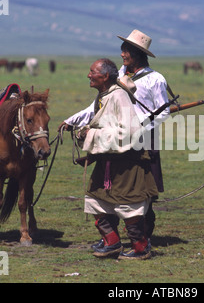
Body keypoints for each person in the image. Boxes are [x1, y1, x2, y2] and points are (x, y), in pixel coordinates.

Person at [61, 59, 158, 260]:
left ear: (105, 76)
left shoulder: (119, 96)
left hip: (127, 162)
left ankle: (141, 248)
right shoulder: (104, 95)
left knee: (129, 205)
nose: (88, 75)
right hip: (108, 160)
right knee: (96, 199)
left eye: (92, 72)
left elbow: (130, 132)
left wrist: (91, 134)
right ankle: (111, 242)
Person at [117, 29, 171, 246]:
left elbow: (164, 111)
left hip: (145, 141)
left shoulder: (156, 79)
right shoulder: (122, 77)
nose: (122, 54)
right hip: (121, 140)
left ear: (138, 54)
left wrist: (140, 127)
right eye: (122, 50)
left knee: (145, 191)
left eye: (126, 51)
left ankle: (143, 238)